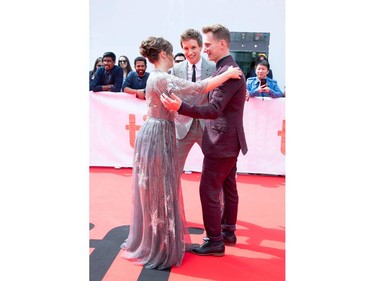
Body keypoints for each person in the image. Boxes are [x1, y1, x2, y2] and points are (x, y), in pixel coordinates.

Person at [121, 35, 242, 270]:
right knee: (161, 186)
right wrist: (227, 75)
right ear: (165, 54)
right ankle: (159, 243)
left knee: (160, 186)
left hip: (159, 131)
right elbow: (197, 88)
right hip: (159, 133)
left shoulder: (155, 77)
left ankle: (158, 239)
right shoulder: (162, 78)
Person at [160, 24, 248, 257]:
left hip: (221, 141)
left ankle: (215, 241)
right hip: (228, 140)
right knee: (228, 187)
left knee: (208, 191)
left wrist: (181, 106)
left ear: (222, 44)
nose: (204, 49)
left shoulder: (227, 72)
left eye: (206, 45)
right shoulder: (228, 69)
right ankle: (228, 231)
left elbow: (214, 109)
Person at [170, 28, 216, 176]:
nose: (190, 52)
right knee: (173, 171)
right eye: (186, 48)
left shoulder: (214, 68)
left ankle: (219, 200)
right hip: (183, 127)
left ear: (201, 47)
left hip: (207, 126)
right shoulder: (176, 69)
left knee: (215, 171)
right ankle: (172, 200)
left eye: (193, 47)